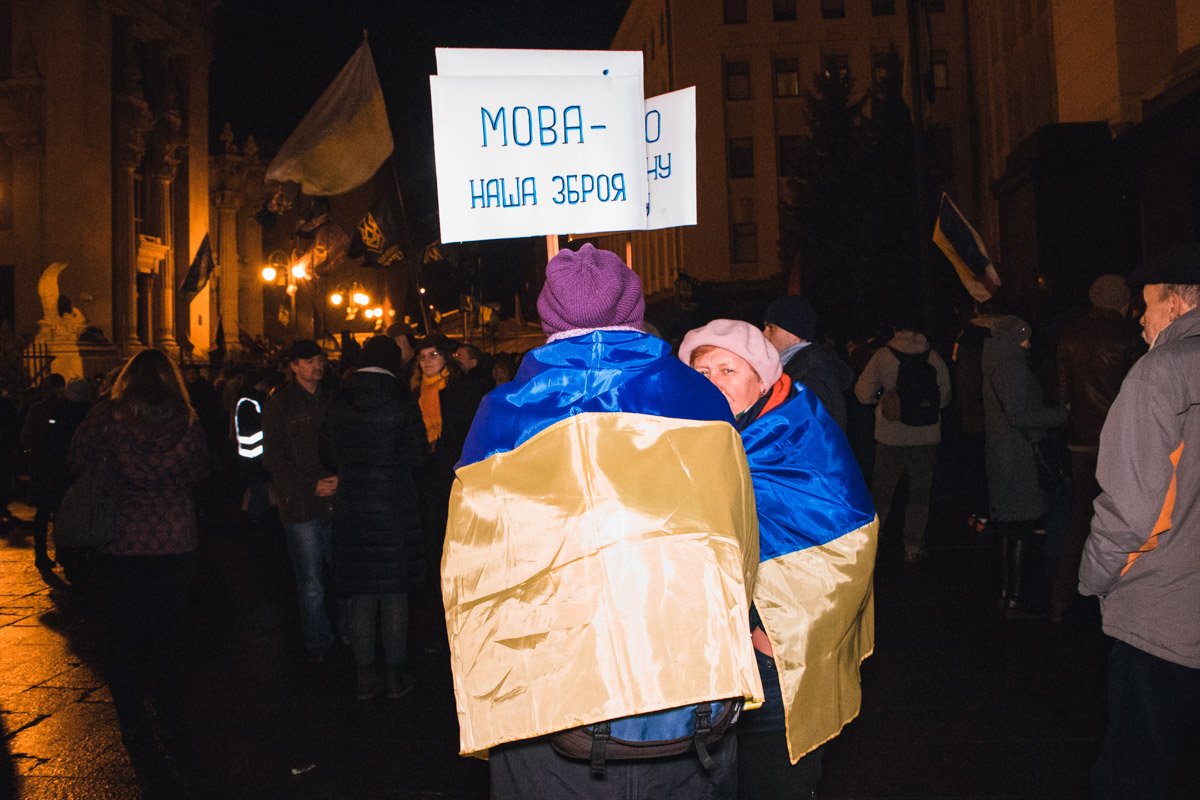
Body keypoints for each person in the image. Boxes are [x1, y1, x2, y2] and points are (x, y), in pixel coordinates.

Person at [444, 244, 762, 799]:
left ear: (548, 318)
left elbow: (475, 563)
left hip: (553, 702)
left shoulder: (503, 411)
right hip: (688, 684)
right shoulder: (702, 400)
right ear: (634, 311)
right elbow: (737, 538)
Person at [679, 319, 877, 799]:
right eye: (700, 371)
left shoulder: (793, 433)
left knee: (775, 780)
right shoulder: (700, 435)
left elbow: (848, 543)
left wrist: (771, 637)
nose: (712, 382)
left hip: (776, 655)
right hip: (715, 657)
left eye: (727, 369)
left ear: (762, 377)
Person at [1079, 245, 1200, 800]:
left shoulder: (1160, 374)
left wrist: (1094, 579)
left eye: (1147, 306)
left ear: (1174, 305)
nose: (1141, 318)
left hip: (1164, 622)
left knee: (1134, 773)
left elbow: (1133, 514)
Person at [67, 349, 208, 769]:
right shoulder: (186, 419)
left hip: (121, 540)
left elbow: (76, 458)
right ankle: (171, 721)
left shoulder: (108, 416)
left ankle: (132, 724)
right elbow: (201, 470)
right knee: (168, 638)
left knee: (124, 639)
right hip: (173, 539)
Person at [321, 336, 428, 701]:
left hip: (353, 504)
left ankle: (365, 677)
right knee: (394, 591)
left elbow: (329, 452)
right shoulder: (400, 400)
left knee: (362, 592)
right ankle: (396, 676)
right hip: (394, 505)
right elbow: (417, 457)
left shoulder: (340, 399)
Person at [1051, 275, 1142, 622]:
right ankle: (1119, 601)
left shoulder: (1071, 335)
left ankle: (1062, 598)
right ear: (1121, 300)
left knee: (1079, 520)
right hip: (1119, 445)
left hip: (1081, 444)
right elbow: (1136, 394)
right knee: (1125, 520)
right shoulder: (1129, 337)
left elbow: (1063, 397)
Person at [981, 316, 1068, 616]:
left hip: (1002, 454)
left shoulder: (994, 364)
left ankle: (1008, 594)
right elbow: (1021, 416)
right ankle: (1015, 598)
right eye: (1025, 338)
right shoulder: (1013, 368)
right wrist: (1061, 414)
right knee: (1020, 527)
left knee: (1010, 528)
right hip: (1018, 457)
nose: (1029, 343)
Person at [262, 340, 340, 661]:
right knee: (310, 579)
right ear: (293, 366)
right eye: (308, 361)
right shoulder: (279, 405)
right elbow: (274, 458)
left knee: (342, 570)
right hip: (300, 503)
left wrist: (339, 478)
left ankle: (348, 631)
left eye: (319, 359)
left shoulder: (334, 399)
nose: (316, 366)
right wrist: (311, 485)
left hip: (335, 497)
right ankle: (318, 640)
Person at [853, 316, 951, 562]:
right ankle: (913, 546)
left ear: (896, 329)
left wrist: (884, 397)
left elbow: (862, 393)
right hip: (927, 435)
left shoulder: (883, 356)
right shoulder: (933, 356)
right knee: (920, 494)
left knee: (882, 494)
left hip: (891, 435)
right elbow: (946, 397)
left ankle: (870, 547)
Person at [26, 379, 93, 573]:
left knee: (45, 512)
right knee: (64, 513)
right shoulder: (87, 414)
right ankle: (65, 553)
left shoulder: (55, 411)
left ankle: (43, 553)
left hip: (48, 469)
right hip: (68, 471)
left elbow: (34, 439)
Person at [762, 295, 854, 430]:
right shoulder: (796, 367)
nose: (764, 334)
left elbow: (816, 435)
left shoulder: (812, 376)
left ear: (794, 332)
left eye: (771, 327)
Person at [20, 373, 67, 568]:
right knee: (49, 511)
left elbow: (26, 438)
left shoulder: (56, 409)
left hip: (50, 466)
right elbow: (27, 437)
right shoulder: (42, 410)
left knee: (51, 511)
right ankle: (47, 553)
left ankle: (50, 552)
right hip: (51, 466)